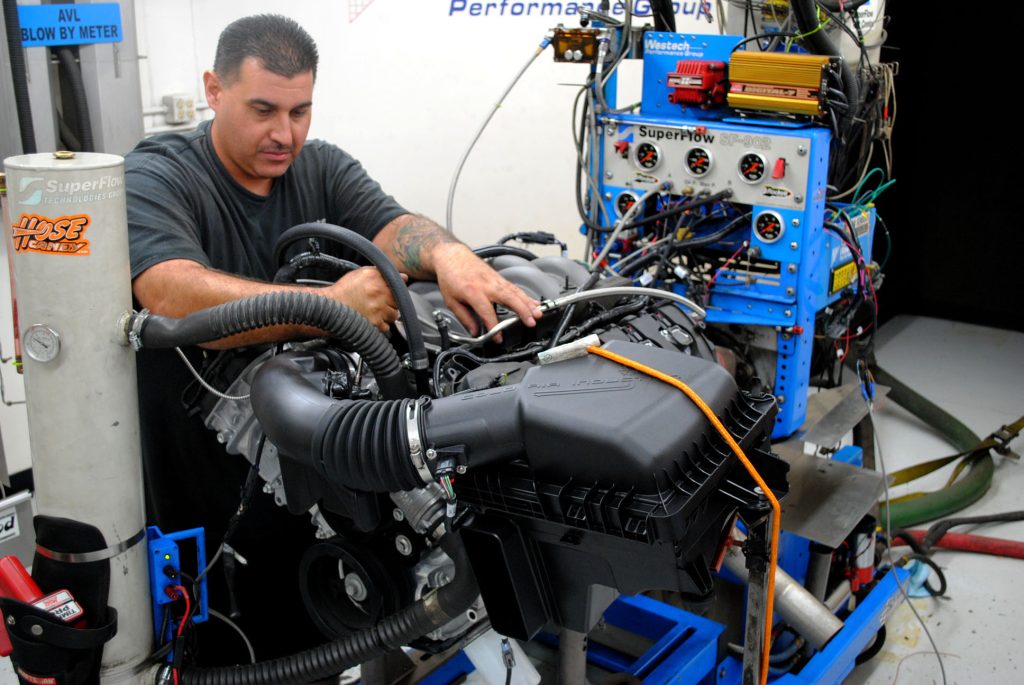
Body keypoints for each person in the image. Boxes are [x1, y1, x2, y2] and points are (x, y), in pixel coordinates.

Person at [125, 14, 541, 663]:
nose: (283, 133)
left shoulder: (318, 167)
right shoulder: (162, 172)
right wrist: (329, 306)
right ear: (213, 89)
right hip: (207, 509)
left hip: (322, 496)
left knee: (331, 636)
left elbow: (394, 223)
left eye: (300, 110)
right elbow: (169, 290)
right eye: (263, 109)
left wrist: (448, 253)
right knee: (240, 653)